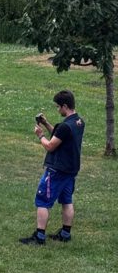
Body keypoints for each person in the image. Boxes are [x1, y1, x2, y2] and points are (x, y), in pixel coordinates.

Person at [20, 90, 85, 245]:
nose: (57, 109)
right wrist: (46, 123)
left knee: (42, 200)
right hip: (70, 170)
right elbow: (60, 136)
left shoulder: (65, 126)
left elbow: (50, 145)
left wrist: (40, 135)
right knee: (67, 201)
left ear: (65, 106)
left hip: (57, 170)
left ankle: (39, 237)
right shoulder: (78, 122)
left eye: (58, 107)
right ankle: (65, 234)